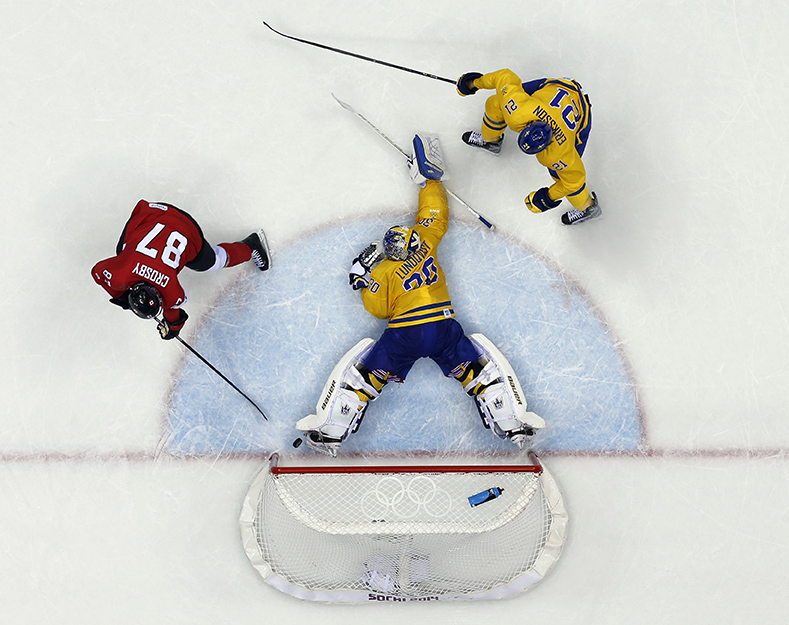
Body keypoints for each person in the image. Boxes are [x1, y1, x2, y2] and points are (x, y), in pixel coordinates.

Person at [295, 135, 544, 456]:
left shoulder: (383, 272)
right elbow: (435, 213)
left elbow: (378, 309)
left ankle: (332, 431)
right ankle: (512, 423)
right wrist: (430, 181)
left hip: (405, 335)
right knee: (477, 373)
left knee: (365, 379)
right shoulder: (425, 241)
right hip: (442, 329)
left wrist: (361, 278)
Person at [91, 199, 271, 339]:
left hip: (185, 227)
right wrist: (119, 294)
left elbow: (174, 317)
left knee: (211, 262)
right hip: (154, 211)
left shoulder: (171, 291)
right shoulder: (120, 273)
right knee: (122, 252)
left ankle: (251, 246)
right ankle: (250, 247)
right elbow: (98, 272)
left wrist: (172, 329)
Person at [456, 68, 601, 226]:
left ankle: (588, 207)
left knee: (562, 175)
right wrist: (474, 82)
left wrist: (549, 197)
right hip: (560, 86)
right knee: (496, 103)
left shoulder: (560, 152)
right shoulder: (518, 111)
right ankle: (491, 140)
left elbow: (575, 180)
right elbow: (503, 76)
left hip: (581, 110)